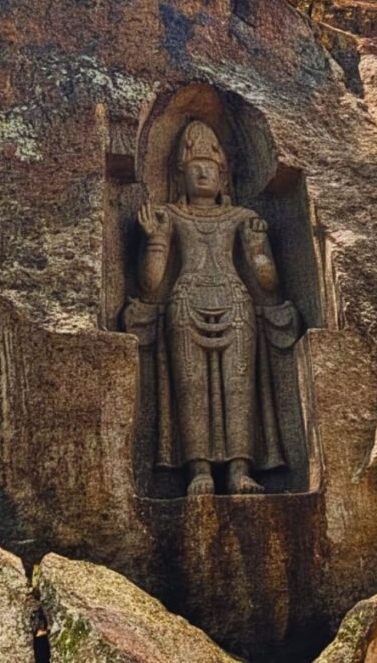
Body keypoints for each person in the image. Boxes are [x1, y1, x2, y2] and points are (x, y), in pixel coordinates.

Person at [133, 119, 289, 495]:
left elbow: (269, 284)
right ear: (180, 174)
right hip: (185, 304)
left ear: (224, 175)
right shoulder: (169, 216)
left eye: (211, 168)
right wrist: (155, 241)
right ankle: (198, 470)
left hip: (236, 303)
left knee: (238, 386)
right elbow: (150, 283)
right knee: (191, 385)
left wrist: (256, 250)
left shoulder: (241, 219)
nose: (203, 173)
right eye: (194, 168)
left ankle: (240, 470)